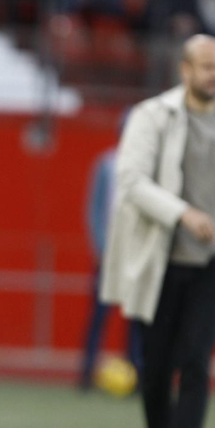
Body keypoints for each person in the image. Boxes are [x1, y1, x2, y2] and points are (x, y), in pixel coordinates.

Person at [100, 35, 215, 428]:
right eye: (208, 67)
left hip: (213, 263)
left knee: (196, 362)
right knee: (156, 369)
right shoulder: (152, 117)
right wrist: (183, 213)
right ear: (184, 69)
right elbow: (132, 180)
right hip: (161, 260)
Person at [76, 138, 143, 391]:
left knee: (137, 318)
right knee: (99, 315)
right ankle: (87, 372)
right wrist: (101, 247)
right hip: (109, 255)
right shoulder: (107, 164)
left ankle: (137, 373)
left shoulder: (149, 166)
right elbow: (95, 209)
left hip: (136, 257)